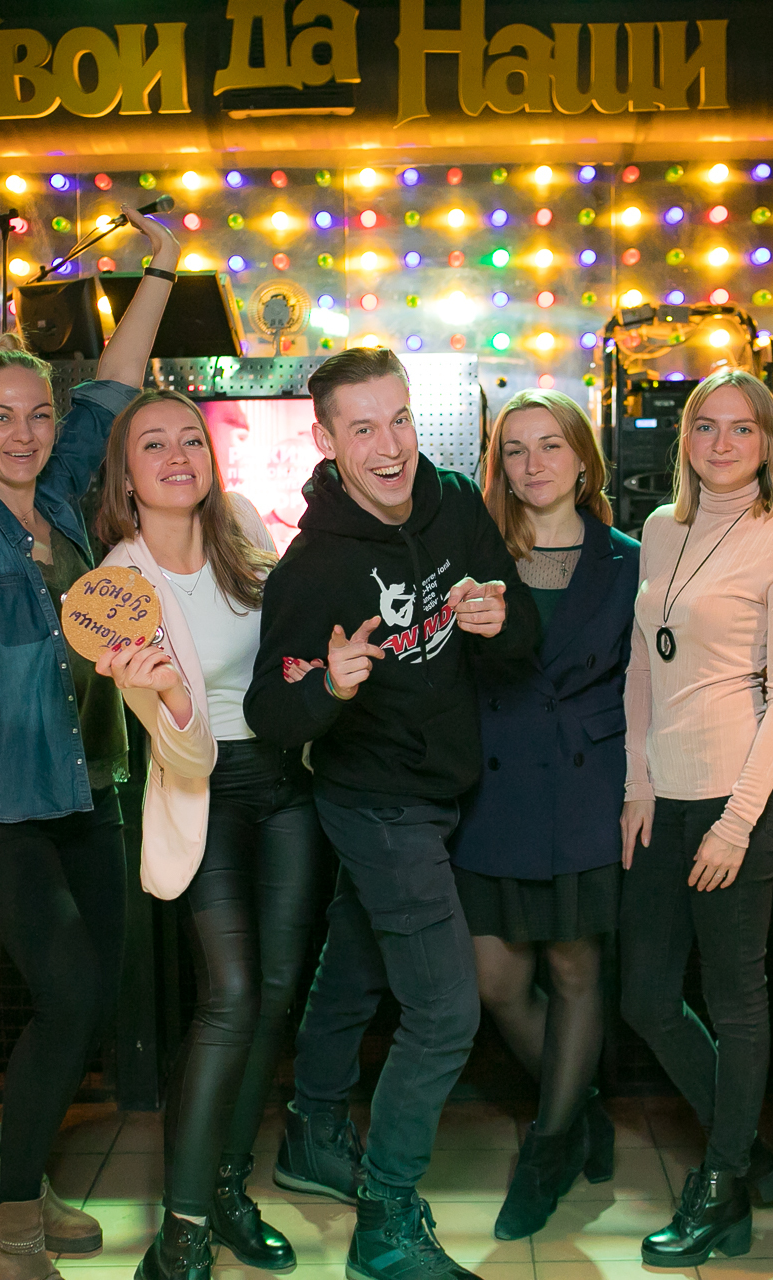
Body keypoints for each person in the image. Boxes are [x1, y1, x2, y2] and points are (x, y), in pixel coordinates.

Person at [0, 209, 178, 1280]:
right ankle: (8, 1220)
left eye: (35, 415)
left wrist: (161, 268)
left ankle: (16, 1155)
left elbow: (113, 382)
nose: (22, 434)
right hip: (7, 813)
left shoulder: (65, 498)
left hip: (94, 792)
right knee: (68, 997)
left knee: (93, 1001)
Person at [244, 346, 539, 1280]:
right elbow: (268, 709)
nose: (390, 445)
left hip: (447, 790)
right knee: (446, 1011)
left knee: (356, 964)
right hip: (375, 803)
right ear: (327, 441)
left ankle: (312, 1131)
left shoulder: (452, 502)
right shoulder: (312, 567)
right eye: (363, 428)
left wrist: (501, 621)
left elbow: (519, 634)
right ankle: (386, 1217)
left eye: (399, 420)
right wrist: (327, 686)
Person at [88, 390, 325, 1280]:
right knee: (229, 993)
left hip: (288, 785)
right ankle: (182, 1227)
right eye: (154, 444)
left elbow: (286, 653)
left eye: (191, 439)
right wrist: (175, 696)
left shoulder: (241, 529)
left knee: (274, 991)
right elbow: (176, 747)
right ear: (125, 475)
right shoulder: (118, 585)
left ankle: (228, 1187)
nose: (178, 455)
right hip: (204, 790)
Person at [617, 368, 773, 1268]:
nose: (722, 443)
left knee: (737, 1002)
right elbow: (642, 665)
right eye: (706, 427)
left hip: (739, 797)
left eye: (742, 429)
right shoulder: (663, 528)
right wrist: (637, 781)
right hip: (663, 797)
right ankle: (748, 1150)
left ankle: (723, 1182)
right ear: (686, 439)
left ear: (767, 444)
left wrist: (738, 821)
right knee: (647, 997)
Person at [451, 390, 639, 1240]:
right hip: (493, 789)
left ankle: (550, 1145)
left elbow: (650, 682)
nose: (533, 464)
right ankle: (581, 1108)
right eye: (515, 449)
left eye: (551, 445)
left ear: (583, 459)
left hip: (585, 786)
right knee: (496, 980)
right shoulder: (473, 557)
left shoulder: (629, 559)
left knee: (573, 969)